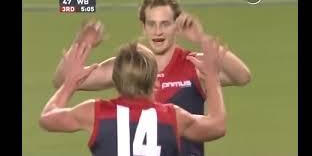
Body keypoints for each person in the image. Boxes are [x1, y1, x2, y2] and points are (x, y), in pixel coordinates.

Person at [53, 0, 251, 156]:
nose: (158, 31)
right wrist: (81, 45)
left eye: (165, 24)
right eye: (151, 24)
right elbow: (63, 79)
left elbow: (242, 76)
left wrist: (202, 38)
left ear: (176, 26)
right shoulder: (128, 65)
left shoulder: (194, 64)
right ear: (143, 27)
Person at [40, 39, 227, 156]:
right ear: (155, 81)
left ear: (115, 80)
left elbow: (47, 118)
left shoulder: (94, 112)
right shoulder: (173, 117)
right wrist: (211, 76)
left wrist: (70, 83)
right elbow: (217, 125)